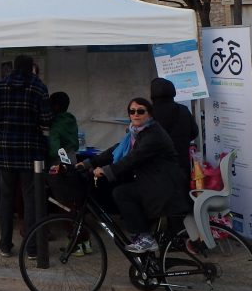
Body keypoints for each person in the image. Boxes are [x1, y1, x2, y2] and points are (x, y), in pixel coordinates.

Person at [79, 97, 183, 253]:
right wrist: (88, 163)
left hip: (163, 184)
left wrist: (106, 171)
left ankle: (145, 237)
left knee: (122, 193)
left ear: (150, 114)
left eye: (141, 111)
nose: (136, 114)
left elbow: (132, 159)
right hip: (152, 180)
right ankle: (140, 239)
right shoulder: (135, 134)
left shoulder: (153, 135)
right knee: (119, 188)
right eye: (132, 111)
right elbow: (114, 151)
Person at [0, 54, 52, 258]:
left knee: (6, 199)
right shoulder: (39, 87)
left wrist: (5, 127)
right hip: (31, 151)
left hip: (5, 150)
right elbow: (47, 119)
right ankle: (32, 248)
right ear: (31, 67)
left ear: (13, 67)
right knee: (31, 199)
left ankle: (5, 245)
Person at [150, 77, 199, 187]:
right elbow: (194, 132)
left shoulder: (148, 113)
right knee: (182, 197)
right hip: (181, 164)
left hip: (156, 168)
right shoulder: (183, 110)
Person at [47, 91, 79, 162]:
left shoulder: (56, 124)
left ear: (56, 106)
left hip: (59, 162)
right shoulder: (71, 120)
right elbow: (76, 145)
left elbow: (54, 150)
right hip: (73, 158)